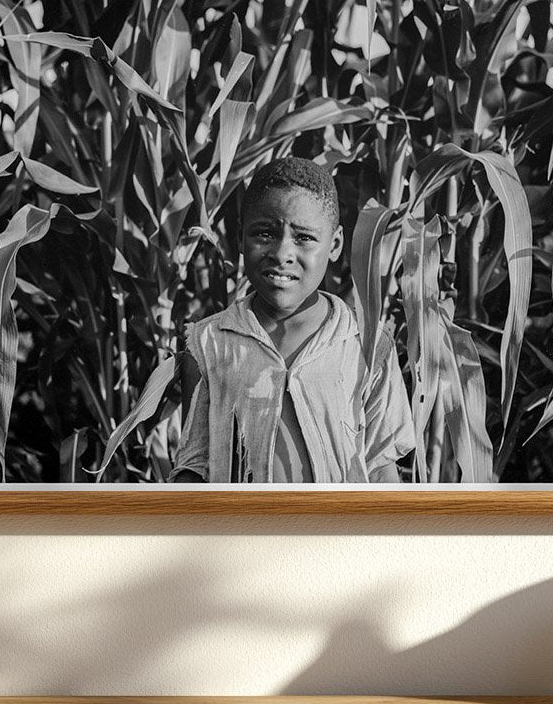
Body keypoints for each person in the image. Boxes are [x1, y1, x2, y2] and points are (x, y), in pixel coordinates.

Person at [172, 157, 414, 484]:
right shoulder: (208, 343)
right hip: (242, 533)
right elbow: (194, 465)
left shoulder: (368, 345)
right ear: (241, 238)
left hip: (336, 532)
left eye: (303, 238)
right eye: (264, 233)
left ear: (336, 245)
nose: (282, 252)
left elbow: (382, 468)